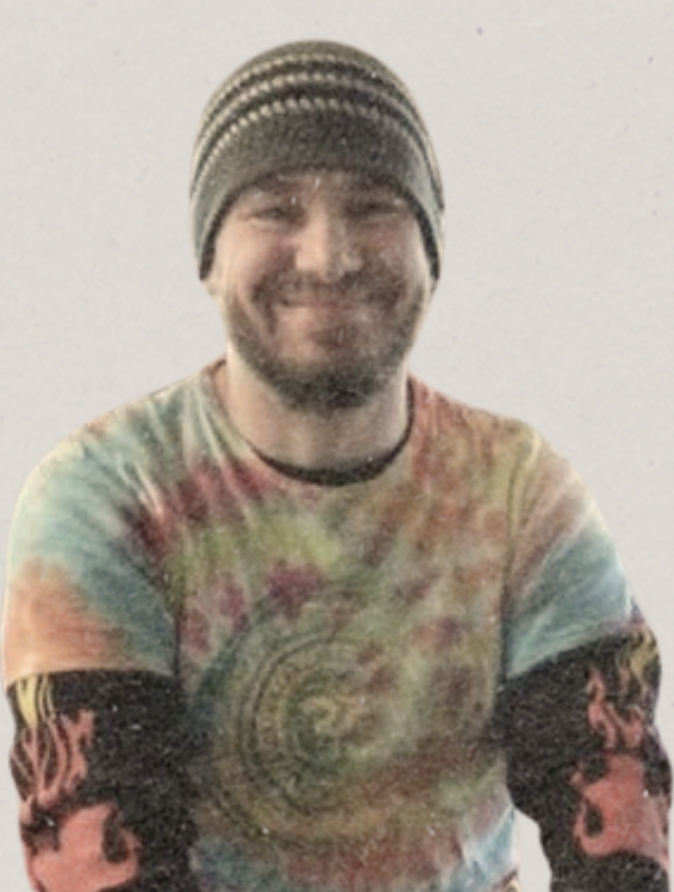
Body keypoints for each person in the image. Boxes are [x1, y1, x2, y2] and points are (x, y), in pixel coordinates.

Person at [2, 40, 670, 892]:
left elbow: (616, 827)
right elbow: (101, 856)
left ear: (431, 250)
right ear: (209, 257)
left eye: (373, 206)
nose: (328, 256)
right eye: (275, 209)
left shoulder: (521, 492)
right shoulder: (108, 496)